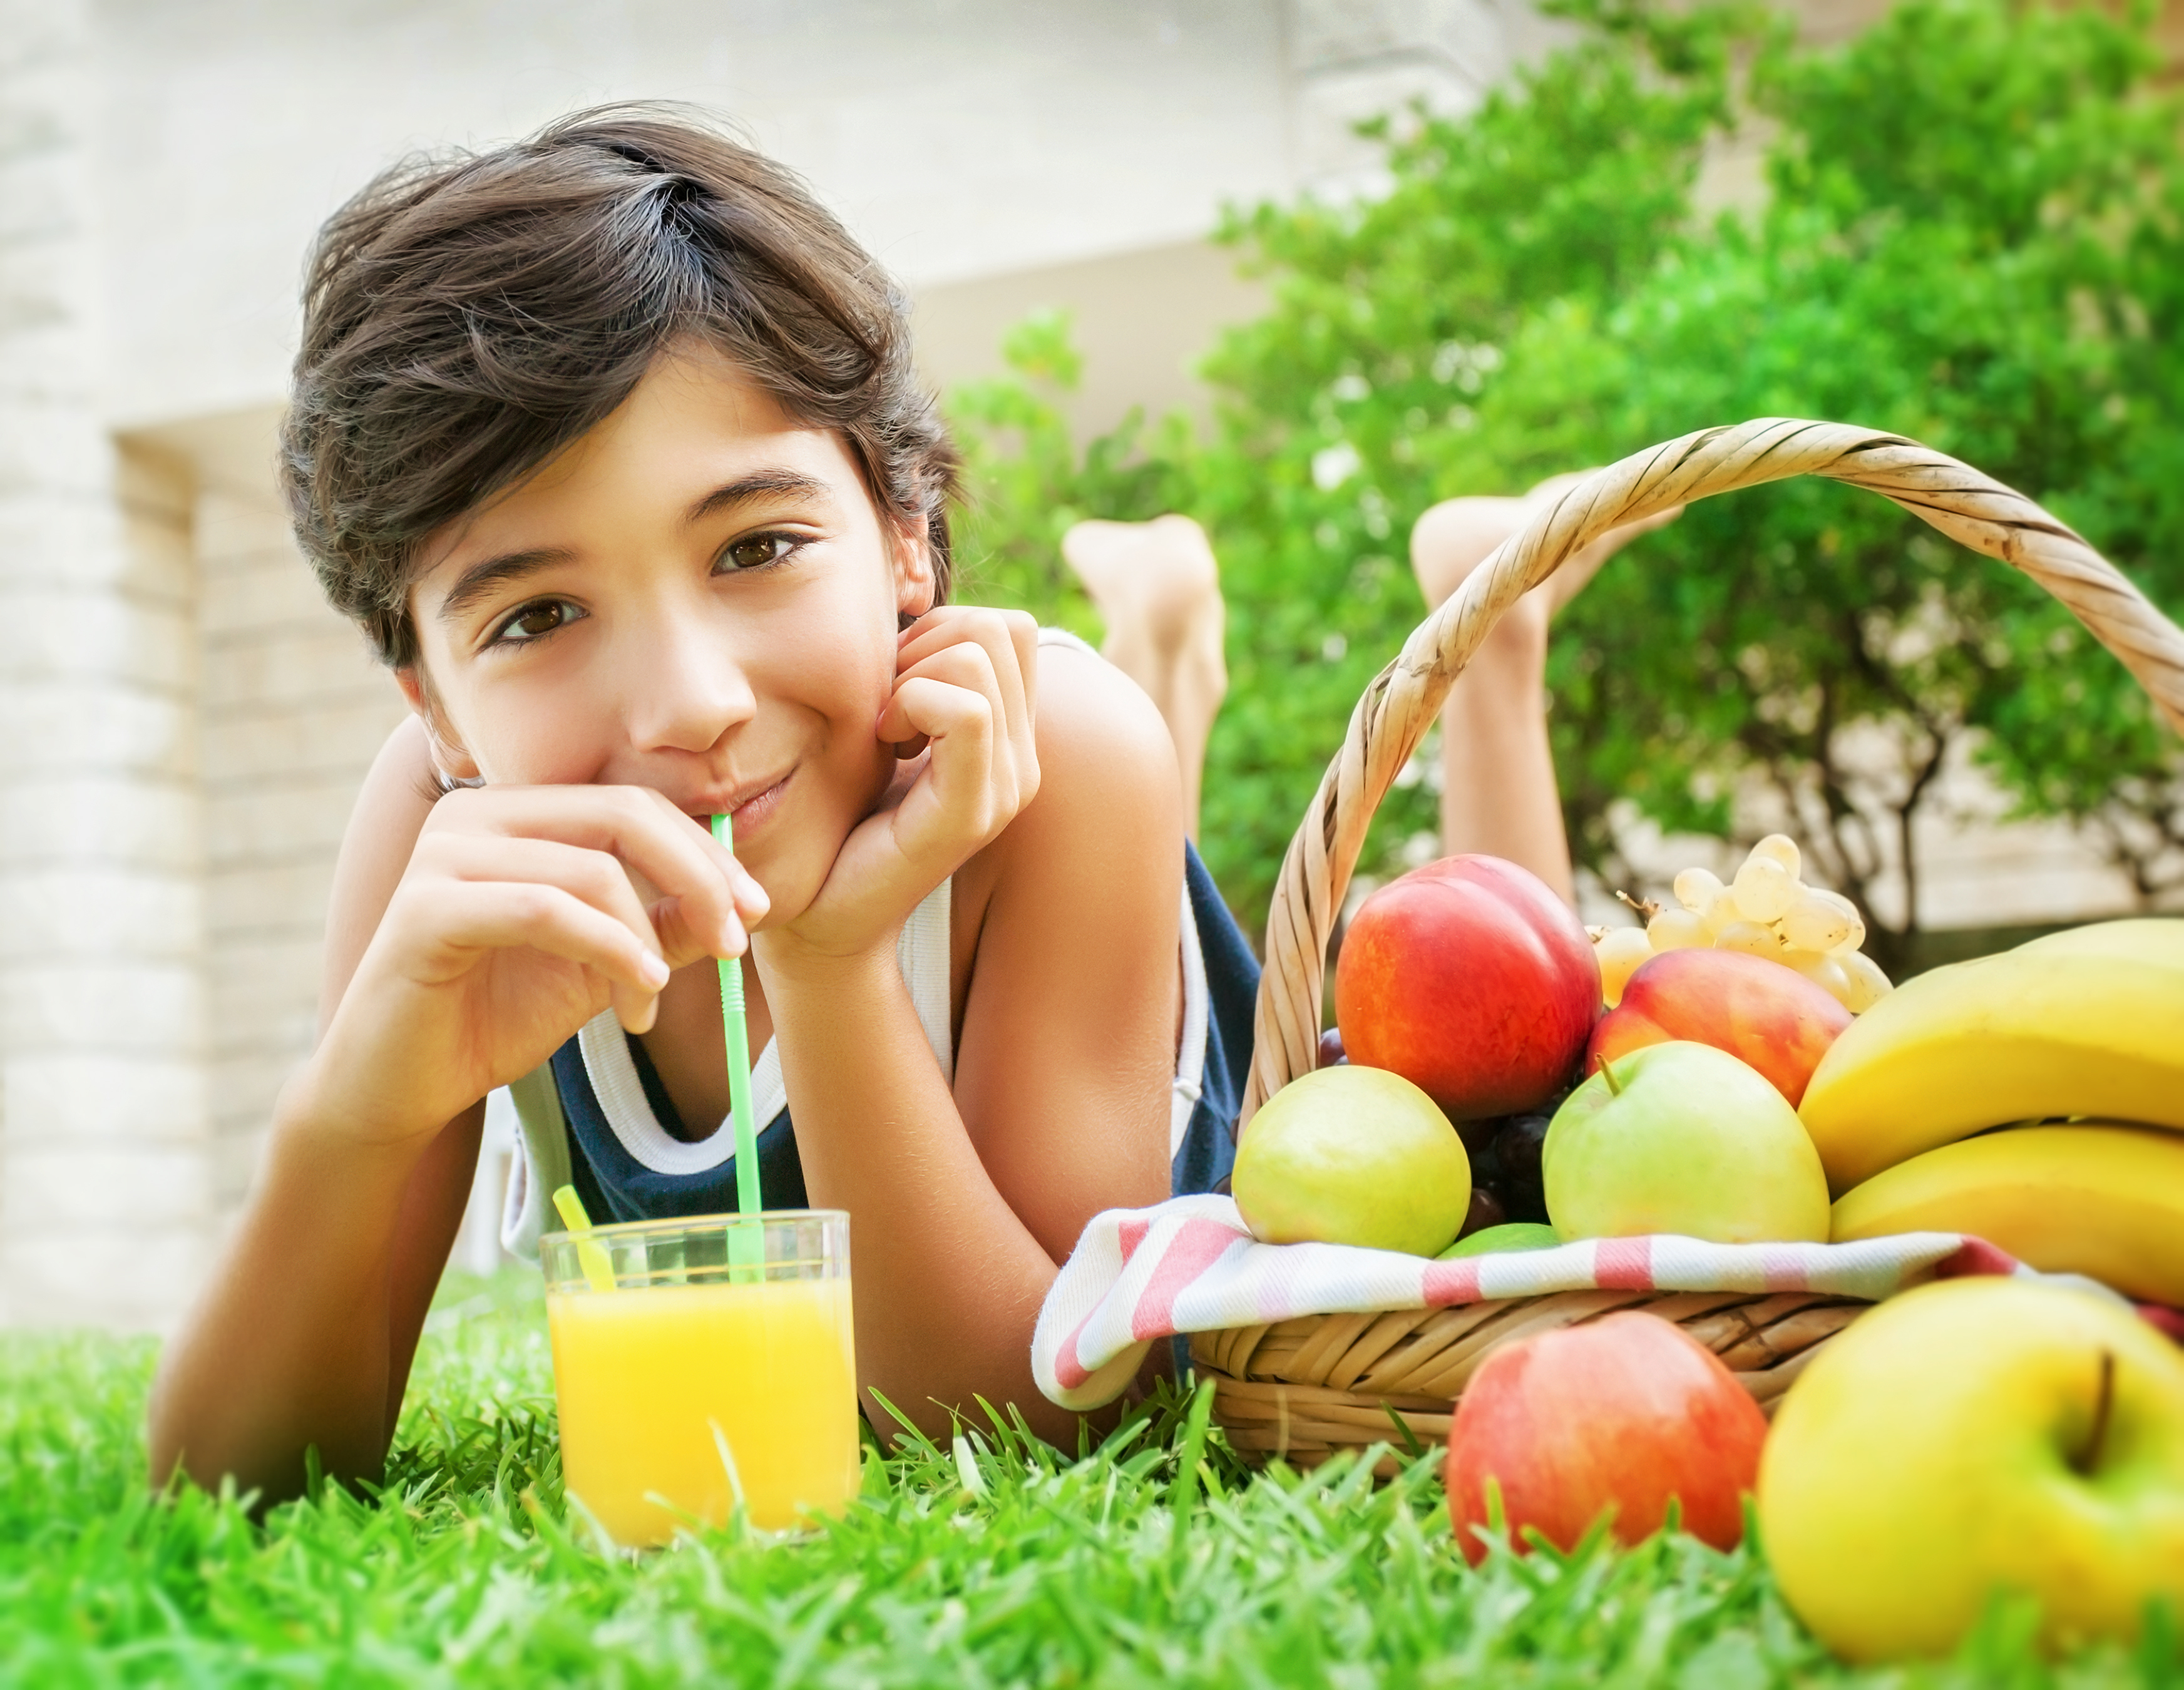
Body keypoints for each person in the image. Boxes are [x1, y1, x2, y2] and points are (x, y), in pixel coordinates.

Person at [147, 109, 1261, 1502]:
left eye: (756, 546)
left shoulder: (1060, 761)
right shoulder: (448, 837)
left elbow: (1047, 1430)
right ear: (429, 702)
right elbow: (235, 1487)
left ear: (905, 536)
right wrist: (352, 1118)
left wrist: (833, 957)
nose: (689, 703)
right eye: (537, 614)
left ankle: (1174, 656)